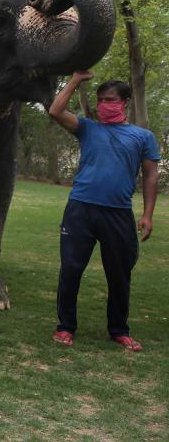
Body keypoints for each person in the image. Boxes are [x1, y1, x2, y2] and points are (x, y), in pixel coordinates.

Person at [48, 71, 159, 352]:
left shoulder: (143, 137)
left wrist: (147, 215)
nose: (103, 105)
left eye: (109, 100)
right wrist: (74, 80)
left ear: (124, 103)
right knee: (71, 270)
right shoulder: (88, 128)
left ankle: (119, 330)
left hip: (118, 214)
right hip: (80, 210)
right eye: (100, 100)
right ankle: (65, 327)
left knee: (119, 275)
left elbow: (150, 177)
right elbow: (55, 110)